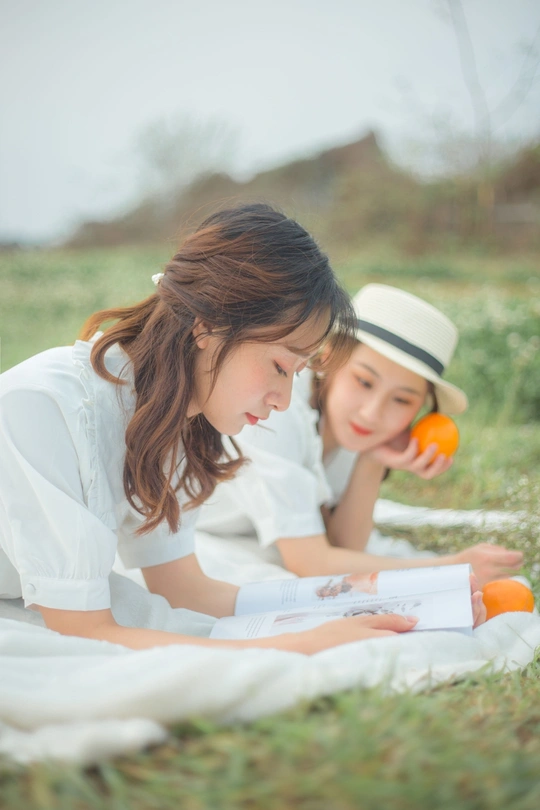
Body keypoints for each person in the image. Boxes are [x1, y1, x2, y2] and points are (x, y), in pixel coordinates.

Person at [3, 204, 461, 654]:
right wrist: (298, 645)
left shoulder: (175, 420)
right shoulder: (44, 407)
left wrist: (363, 607)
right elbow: (82, 630)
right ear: (207, 326)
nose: (283, 401)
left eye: (297, 374)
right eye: (280, 366)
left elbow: (185, 589)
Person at [196, 283, 522, 589]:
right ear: (328, 359)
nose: (372, 413)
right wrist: (450, 568)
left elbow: (343, 546)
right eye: (364, 382)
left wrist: (372, 460)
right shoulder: (275, 411)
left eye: (402, 400)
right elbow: (310, 562)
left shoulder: (351, 426)